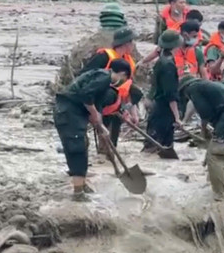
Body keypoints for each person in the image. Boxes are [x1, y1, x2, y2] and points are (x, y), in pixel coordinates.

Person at [54, 60, 131, 200]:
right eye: (124, 79)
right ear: (122, 74)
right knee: (77, 148)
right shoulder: (104, 77)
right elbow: (85, 96)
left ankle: (81, 185)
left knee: (82, 145)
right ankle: (78, 192)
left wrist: (101, 127)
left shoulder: (101, 83)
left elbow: (95, 108)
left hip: (72, 113)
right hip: (67, 112)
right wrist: (95, 116)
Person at [179, 76, 224, 197]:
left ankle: (219, 195)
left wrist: (204, 130)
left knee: (215, 156)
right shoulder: (209, 85)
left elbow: (204, 112)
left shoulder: (193, 88)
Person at [80, 27, 143, 147]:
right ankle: (103, 144)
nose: (133, 45)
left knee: (135, 93)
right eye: (132, 42)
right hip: (101, 98)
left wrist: (132, 112)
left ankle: (110, 148)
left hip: (118, 101)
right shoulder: (104, 56)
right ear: (126, 43)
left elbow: (129, 88)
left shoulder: (127, 61)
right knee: (110, 99)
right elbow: (85, 76)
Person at [146, 30, 183, 155]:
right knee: (161, 147)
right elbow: (170, 94)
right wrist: (177, 118)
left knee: (151, 147)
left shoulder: (161, 61)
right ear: (177, 46)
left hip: (156, 108)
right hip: (164, 112)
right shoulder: (168, 65)